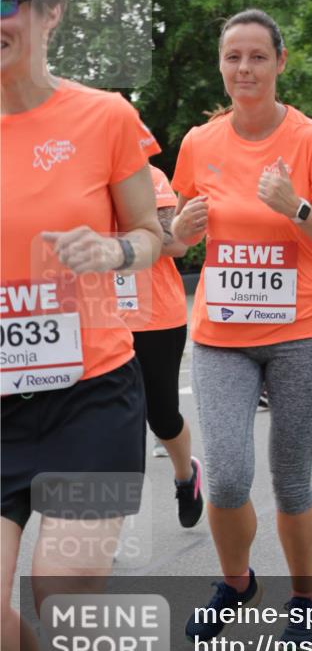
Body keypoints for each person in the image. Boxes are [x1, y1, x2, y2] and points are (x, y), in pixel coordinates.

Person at [1, 0, 162, 651]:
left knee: (64, 591)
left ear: (50, 13)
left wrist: (112, 252)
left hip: (90, 395)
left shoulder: (103, 116)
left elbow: (152, 235)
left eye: (5, 3)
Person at [170, 9, 312, 644]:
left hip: (303, 332)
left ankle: (303, 597)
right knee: (226, 477)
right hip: (222, 335)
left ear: (280, 62)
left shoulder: (311, 140)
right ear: (221, 66)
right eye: (233, 57)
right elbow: (175, 240)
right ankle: (237, 583)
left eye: (257, 56)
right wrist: (179, 232)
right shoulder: (200, 142)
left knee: (291, 479)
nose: (244, 68)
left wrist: (297, 207)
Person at [117, 160, 204, 528]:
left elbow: (176, 244)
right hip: (100, 318)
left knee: (162, 416)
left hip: (155, 318)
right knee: (116, 421)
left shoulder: (149, 177)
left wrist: (115, 241)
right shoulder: (77, 178)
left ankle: (186, 476)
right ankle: (118, 520)